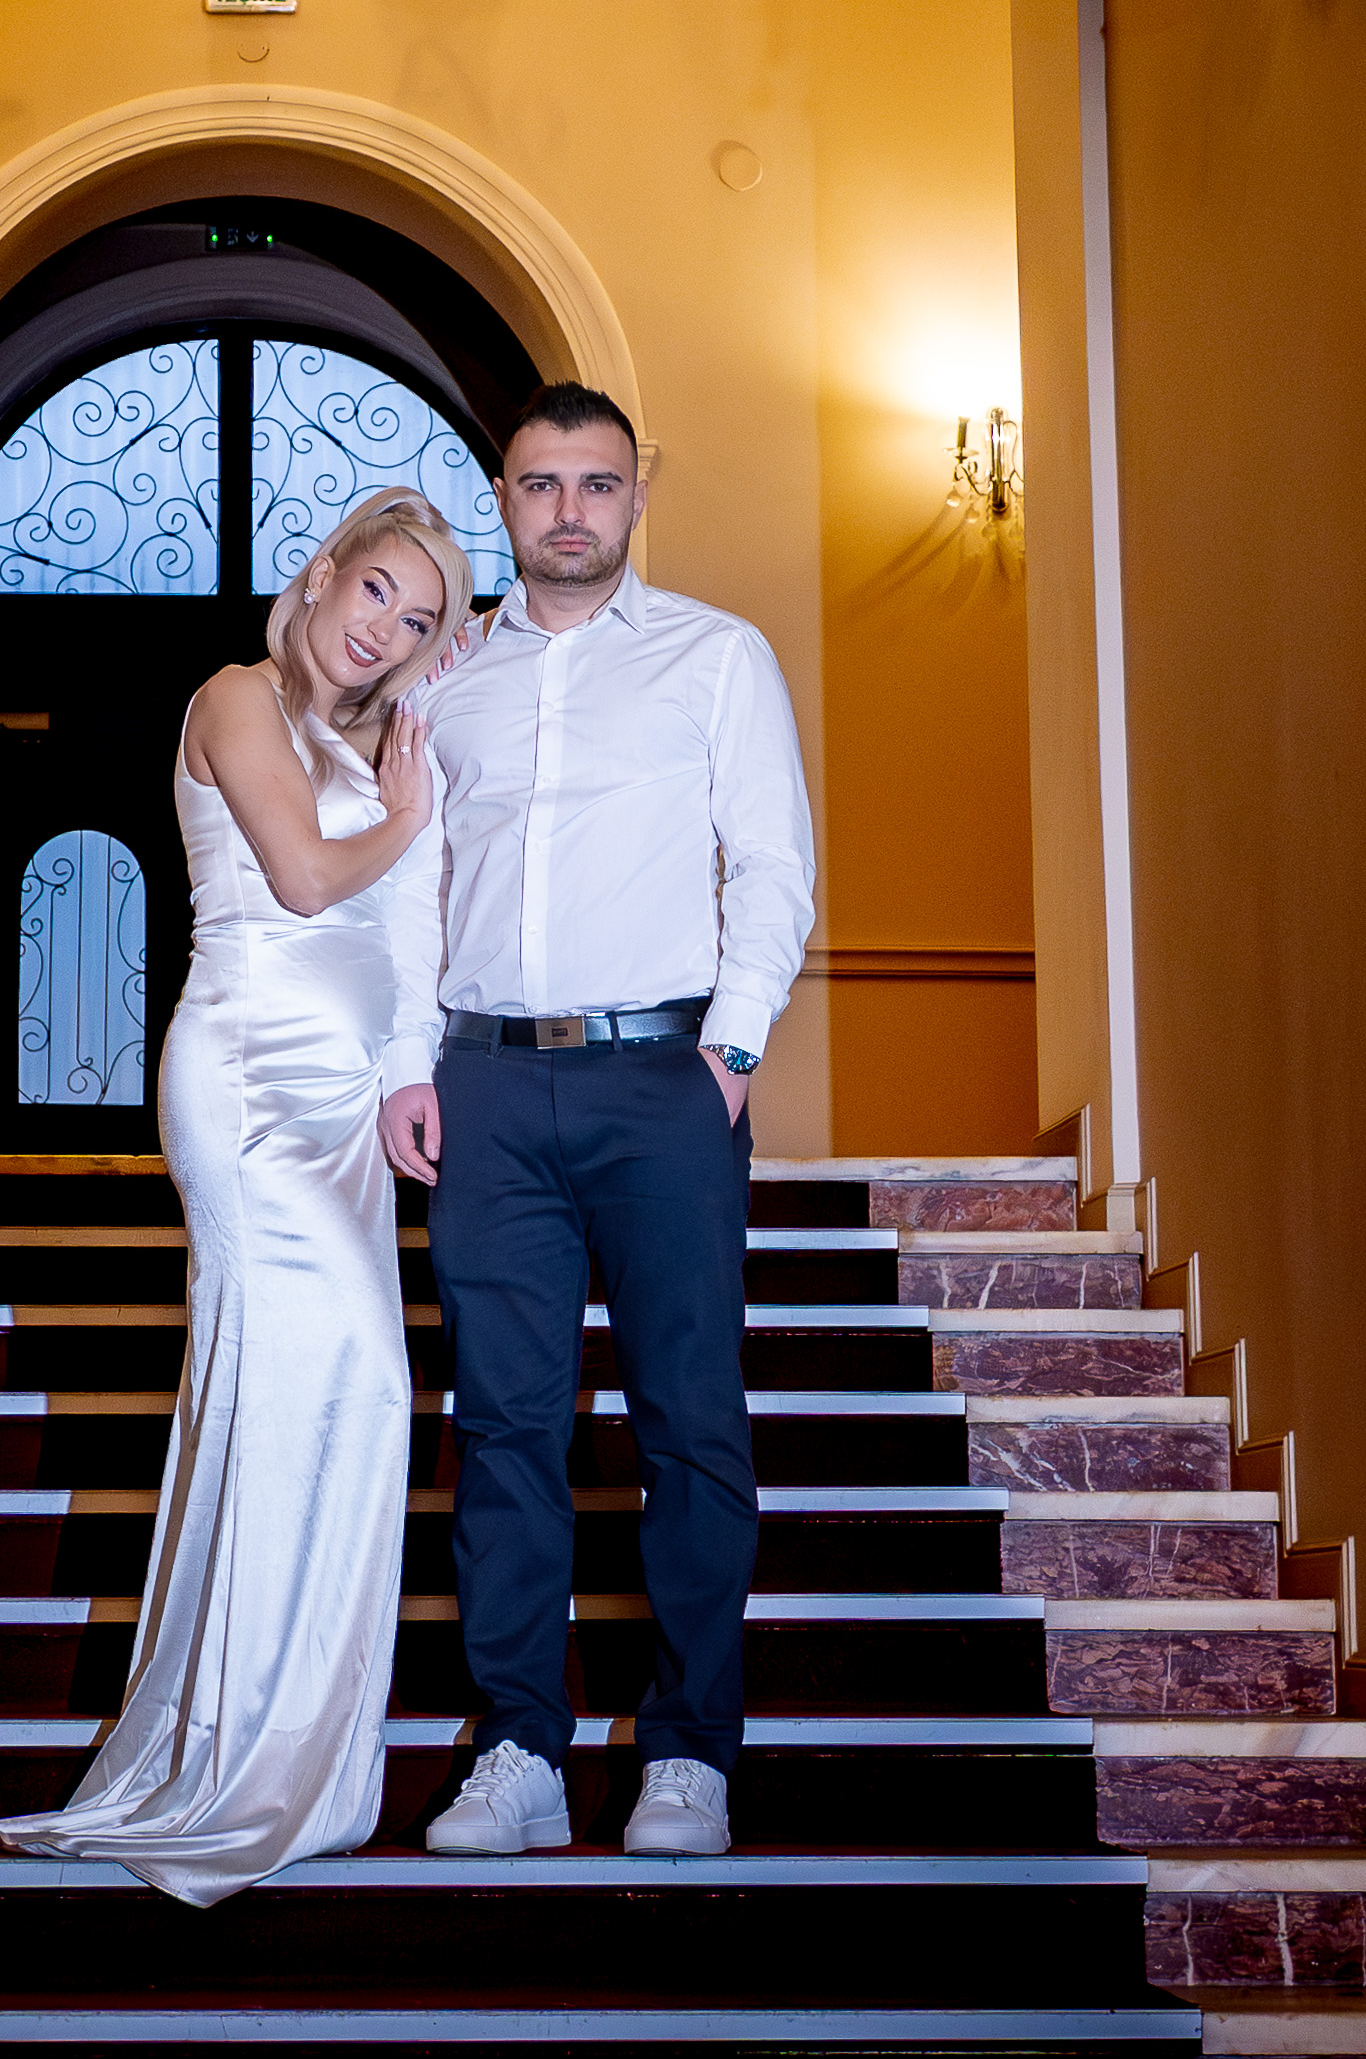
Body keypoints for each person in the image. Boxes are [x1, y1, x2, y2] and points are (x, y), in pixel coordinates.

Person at [0, 486, 474, 1905]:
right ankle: (232, 1755)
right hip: (248, 1081)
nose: (386, 631)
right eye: (376, 591)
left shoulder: (378, 741)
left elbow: (400, 929)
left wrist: (402, 1066)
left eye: (420, 622)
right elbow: (305, 880)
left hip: (342, 1102)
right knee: (312, 1382)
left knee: (350, 1400)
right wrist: (410, 817)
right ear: (321, 576)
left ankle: (298, 1755)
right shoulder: (234, 696)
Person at [381, 382, 812, 1860]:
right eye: (541, 484)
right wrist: (408, 1064)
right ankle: (519, 1751)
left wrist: (730, 1047)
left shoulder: (716, 655)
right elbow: (414, 885)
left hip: (662, 1079)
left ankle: (689, 1757)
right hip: (487, 1085)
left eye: (598, 484)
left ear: (636, 495)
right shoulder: (446, 678)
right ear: (502, 499)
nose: (569, 510)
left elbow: (771, 862)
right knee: (503, 1427)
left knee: (690, 1421)